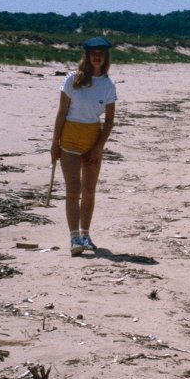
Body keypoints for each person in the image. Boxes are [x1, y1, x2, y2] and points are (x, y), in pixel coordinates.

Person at [50, 36, 117, 256]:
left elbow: (109, 121)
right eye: (94, 52)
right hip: (69, 139)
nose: (98, 55)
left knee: (89, 191)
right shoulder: (72, 80)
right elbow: (61, 113)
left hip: (93, 140)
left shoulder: (108, 85)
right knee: (73, 192)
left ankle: (85, 234)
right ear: (87, 55)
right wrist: (54, 143)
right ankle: (74, 238)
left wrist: (99, 147)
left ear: (105, 56)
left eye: (102, 52)